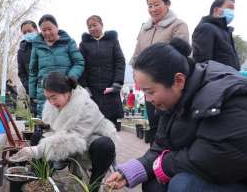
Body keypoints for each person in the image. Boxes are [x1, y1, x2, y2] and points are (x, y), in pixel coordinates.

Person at [106, 38, 247, 192]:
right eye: (144, 92)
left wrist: (164, 165)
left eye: (150, 92)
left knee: (183, 185)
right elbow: (162, 145)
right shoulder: (173, 99)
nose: (147, 99)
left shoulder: (227, 96)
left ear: (178, 80)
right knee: (153, 184)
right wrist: (135, 169)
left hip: (233, 175)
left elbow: (216, 156)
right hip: (211, 170)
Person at [13, 72, 117, 192]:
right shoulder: (54, 105)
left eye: (54, 97)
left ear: (67, 92)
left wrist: (37, 151)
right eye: (48, 98)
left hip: (91, 141)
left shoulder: (87, 106)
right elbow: (56, 130)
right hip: (68, 139)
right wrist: (46, 126)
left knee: (105, 145)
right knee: (37, 136)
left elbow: (73, 138)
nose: (51, 102)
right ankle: (40, 181)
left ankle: (94, 186)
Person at [130, 0, 189, 144]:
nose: (153, 9)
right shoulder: (145, 29)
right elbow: (136, 55)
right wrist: (136, 74)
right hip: (149, 87)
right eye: (150, 5)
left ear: (167, 4)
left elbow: (180, 55)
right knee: (154, 125)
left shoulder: (178, 25)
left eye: (157, 4)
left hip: (166, 85)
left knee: (170, 125)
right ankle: (155, 160)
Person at [29, 14, 84, 117]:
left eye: (50, 29)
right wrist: (32, 95)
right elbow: (33, 71)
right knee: (46, 124)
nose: (47, 32)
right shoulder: (37, 46)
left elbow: (79, 62)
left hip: (64, 89)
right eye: (44, 30)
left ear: (57, 27)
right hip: (44, 92)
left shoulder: (69, 42)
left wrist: (71, 77)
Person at [79, 15, 125, 131]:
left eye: (95, 25)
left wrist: (117, 83)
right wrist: (84, 86)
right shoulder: (84, 44)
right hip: (92, 91)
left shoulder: (112, 41)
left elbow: (120, 61)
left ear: (101, 25)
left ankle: (111, 148)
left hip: (109, 89)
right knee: (93, 124)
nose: (92, 29)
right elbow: (81, 65)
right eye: (89, 27)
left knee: (111, 125)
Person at [192, 0, 240, 70]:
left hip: (230, 78)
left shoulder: (226, 33)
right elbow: (203, 63)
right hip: (218, 80)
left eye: (233, 10)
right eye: (230, 8)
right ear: (216, 10)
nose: (232, 12)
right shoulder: (206, 28)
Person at [17, 20, 38, 95]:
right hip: (34, 93)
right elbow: (22, 73)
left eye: (29, 31)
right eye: (24, 32)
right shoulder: (21, 52)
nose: (27, 34)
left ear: (36, 30)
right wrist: (29, 88)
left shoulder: (45, 44)